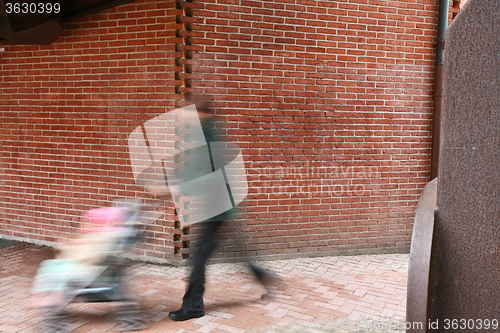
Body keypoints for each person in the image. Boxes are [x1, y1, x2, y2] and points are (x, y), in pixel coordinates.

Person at [149, 97, 280, 321]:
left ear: (197, 113)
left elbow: (206, 174)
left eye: (182, 114)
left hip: (217, 207)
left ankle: (193, 307)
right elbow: (194, 169)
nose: (179, 119)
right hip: (219, 205)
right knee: (235, 251)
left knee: (199, 259)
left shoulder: (207, 137)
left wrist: (169, 188)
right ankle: (262, 275)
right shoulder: (205, 133)